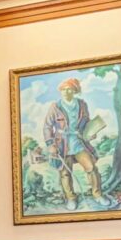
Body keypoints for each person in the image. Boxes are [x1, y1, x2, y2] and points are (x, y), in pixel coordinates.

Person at [43, 77, 108, 211]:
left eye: (69, 89)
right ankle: (71, 198)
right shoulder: (55, 107)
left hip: (78, 142)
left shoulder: (82, 105)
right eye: (63, 90)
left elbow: (86, 123)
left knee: (91, 167)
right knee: (65, 173)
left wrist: (90, 133)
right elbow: (47, 127)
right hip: (62, 144)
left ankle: (97, 195)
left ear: (75, 91)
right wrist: (50, 144)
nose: (66, 92)